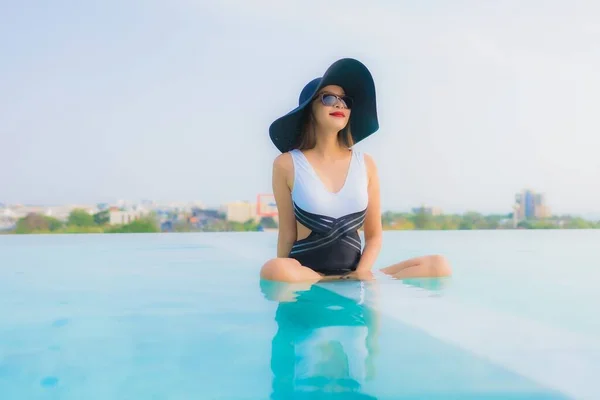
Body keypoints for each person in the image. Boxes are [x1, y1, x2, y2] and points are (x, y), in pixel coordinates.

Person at [260, 58, 452, 283]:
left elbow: (374, 236)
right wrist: (281, 276)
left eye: (345, 101)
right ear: (309, 110)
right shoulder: (286, 164)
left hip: (356, 273)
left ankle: (349, 280)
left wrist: (362, 273)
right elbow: (287, 234)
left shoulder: (366, 164)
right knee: (275, 269)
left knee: (439, 265)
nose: (340, 105)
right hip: (309, 276)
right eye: (329, 98)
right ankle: (330, 282)